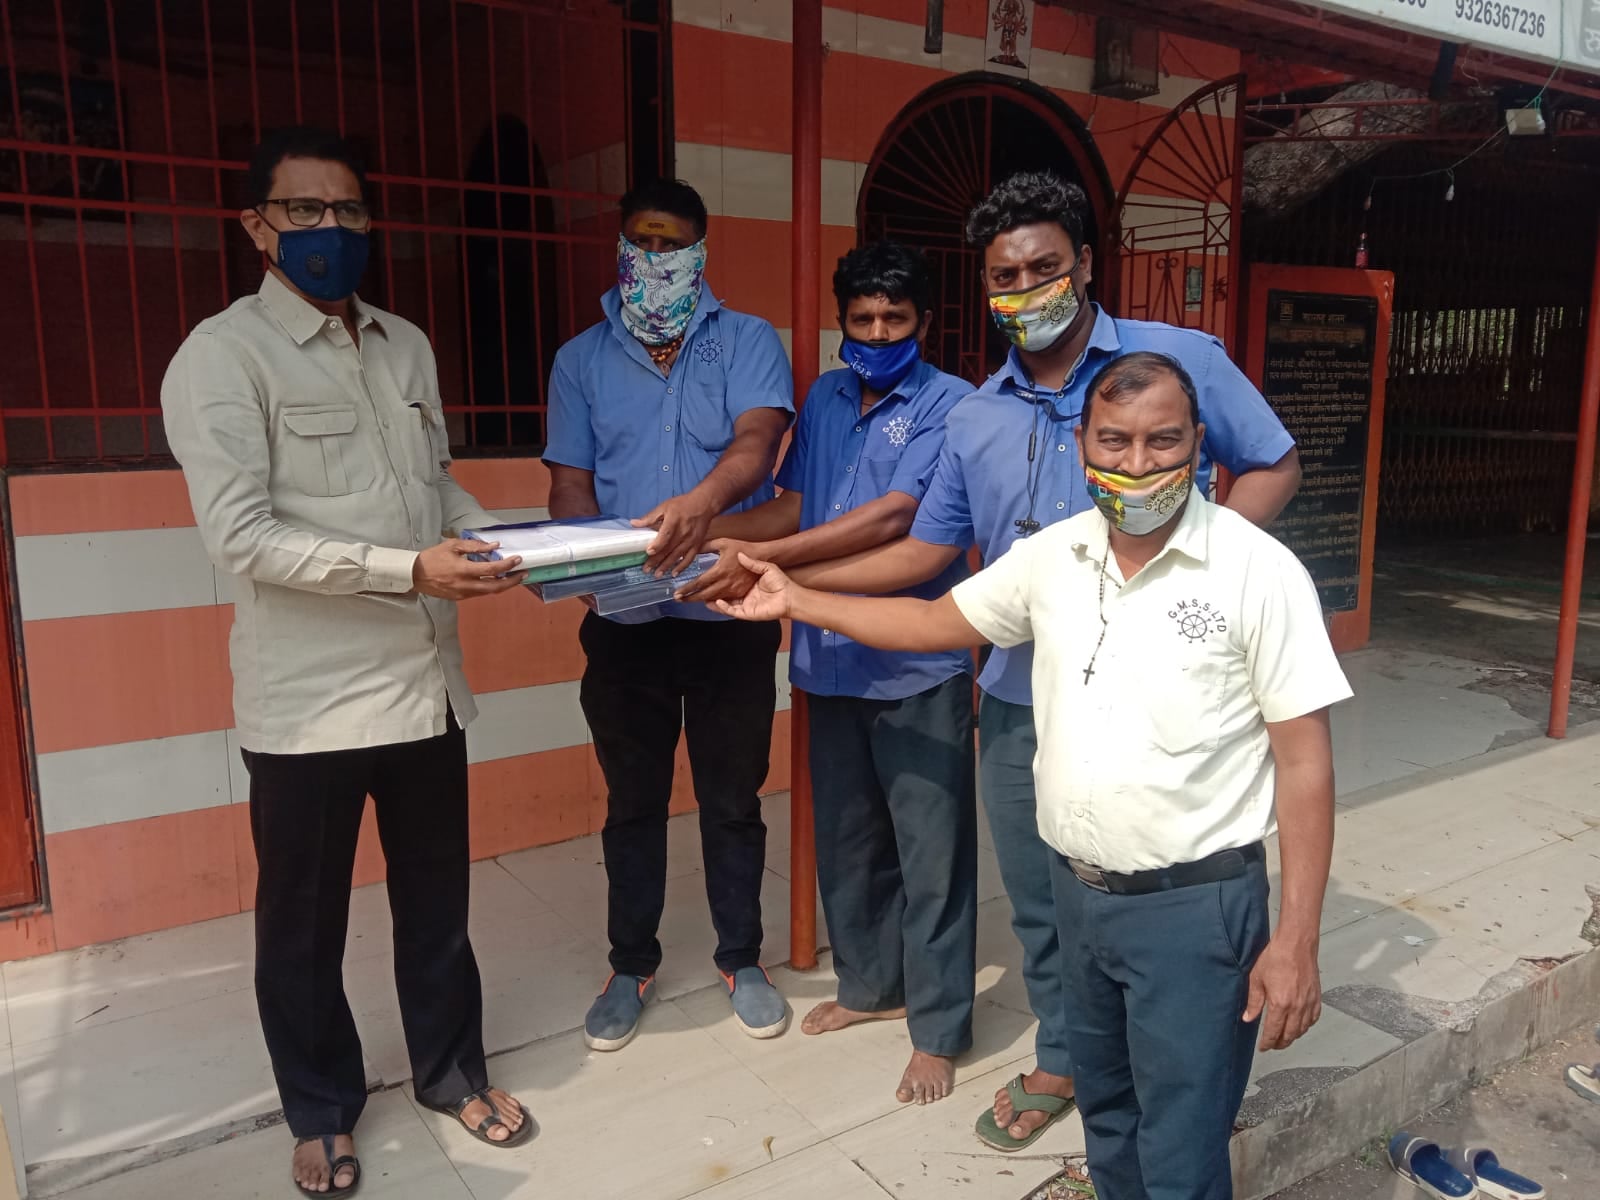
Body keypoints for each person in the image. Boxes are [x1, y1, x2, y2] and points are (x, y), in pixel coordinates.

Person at [717, 351, 1349, 1200]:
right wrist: (792, 598)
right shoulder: (1055, 555)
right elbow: (936, 618)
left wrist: (1296, 938)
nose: (1136, 463)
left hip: (1195, 914)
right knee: (1111, 1119)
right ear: (1081, 443)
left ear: (1199, 444)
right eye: (1114, 440)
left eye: (1163, 441)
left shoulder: (1257, 570)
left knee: (1184, 1146)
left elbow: (1305, 760)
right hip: (1077, 901)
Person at [790, 170, 1303, 1150]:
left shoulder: (1174, 361)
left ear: (1084, 267)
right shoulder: (977, 415)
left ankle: (1167, 1065)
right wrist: (799, 589)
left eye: (1043, 268)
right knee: (1040, 897)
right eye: (1003, 277)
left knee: (1156, 882)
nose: (1024, 291)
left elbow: (1273, 461)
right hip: (1022, 697)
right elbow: (925, 553)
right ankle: (1068, 1059)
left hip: (1157, 697)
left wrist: (1207, 567)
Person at [162, 126, 531, 1198]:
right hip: (308, 708)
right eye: (305, 212)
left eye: (349, 212)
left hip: (425, 691)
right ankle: (320, 1110)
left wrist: (499, 541)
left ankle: (450, 1071)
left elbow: (438, 486)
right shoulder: (221, 358)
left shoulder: (404, 345)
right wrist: (408, 570)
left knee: (437, 908)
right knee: (303, 925)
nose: (331, 230)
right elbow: (242, 537)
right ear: (256, 227)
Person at [678, 241, 978, 1105]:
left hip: (915, 661)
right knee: (848, 844)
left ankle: (939, 1026)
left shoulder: (949, 404)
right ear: (842, 321)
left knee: (932, 854)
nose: (878, 331)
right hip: (826, 661)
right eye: (863, 318)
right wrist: (712, 527)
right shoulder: (825, 393)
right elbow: (802, 502)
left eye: (895, 318)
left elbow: (895, 518)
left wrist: (768, 562)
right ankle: (871, 989)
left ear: (923, 323)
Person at [543, 178, 795, 1051]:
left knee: (733, 799)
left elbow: (756, 444)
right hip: (625, 621)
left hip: (728, 614)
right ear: (621, 247)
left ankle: (742, 957)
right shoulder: (580, 359)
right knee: (632, 803)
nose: (657, 260)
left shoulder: (749, 342)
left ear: (701, 252)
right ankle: (631, 962)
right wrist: (577, 556)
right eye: (642, 243)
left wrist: (698, 507)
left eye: (674, 245)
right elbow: (570, 480)